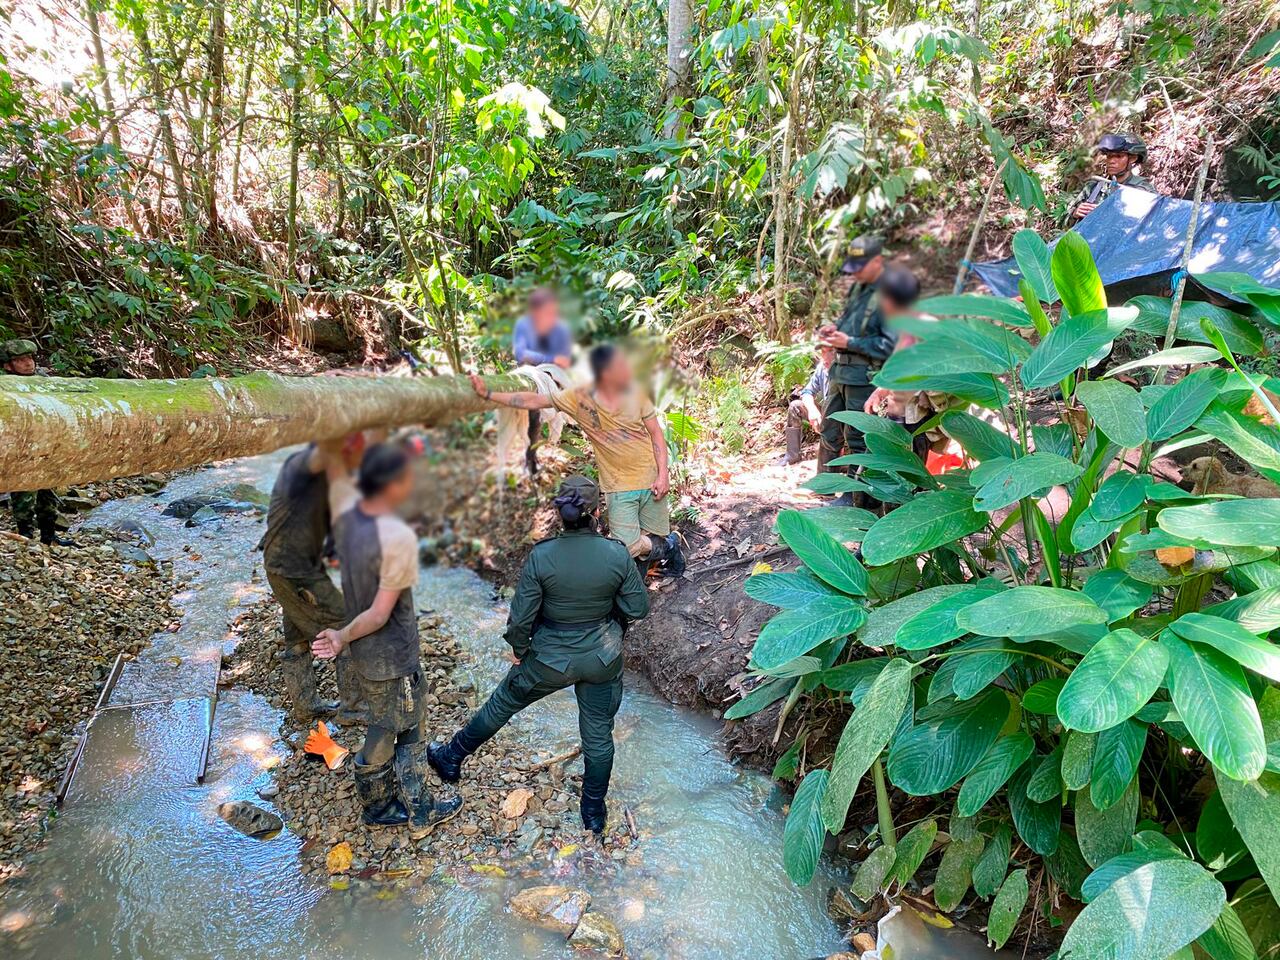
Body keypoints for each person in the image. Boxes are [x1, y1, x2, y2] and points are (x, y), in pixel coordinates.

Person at [428, 475, 649, 834]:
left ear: (559, 513)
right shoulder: (616, 553)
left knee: (502, 703)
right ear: (596, 511)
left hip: (548, 660)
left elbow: (521, 617)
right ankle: (593, 812)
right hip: (602, 659)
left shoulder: (542, 556)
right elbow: (638, 608)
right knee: (598, 734)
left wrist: (519, 648)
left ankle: (451, 758)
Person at [311, 443, 462, 836]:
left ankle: (377, 806)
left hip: (365, 655)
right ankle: (421, 813)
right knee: (408, 726)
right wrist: (341, 636)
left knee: (382, 719)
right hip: (391, 654)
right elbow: (379, 614)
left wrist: (344, 637)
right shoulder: (397, 539)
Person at [469, 344, 685, 578]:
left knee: (651, 537)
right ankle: (672, 545)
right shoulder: (578, 398)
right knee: (627, 547)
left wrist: (663, 474)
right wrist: (489, 394)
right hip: (618, 484)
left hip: (651, 477)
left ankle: (657, 569)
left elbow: (656, 433)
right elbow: (533, 400)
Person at [260, 434, 366, 725]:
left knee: (295, 636)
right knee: (349, 624)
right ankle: (353, 709)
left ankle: (305, 706)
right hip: (297, 572)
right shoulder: (306, 464)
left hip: (281, 568)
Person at [817, 236, 896, 507]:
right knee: (830, 430)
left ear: (878, 261)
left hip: (865, 377)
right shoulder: (859, 291)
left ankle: (859, 499)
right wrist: (833, 333)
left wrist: (849, 342)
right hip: (841, 373)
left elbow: (889, 344)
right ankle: (837, 488)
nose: (856, 273)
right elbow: (849, 326)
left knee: (860, 440)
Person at [2, 339, 64, 545]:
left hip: (46, 444)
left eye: (29, 358)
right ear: (8, 365)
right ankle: (25, 535)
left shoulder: (42, 379)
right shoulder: (4, 384)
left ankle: (49, 534)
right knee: (24, 494)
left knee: (48, 490)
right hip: (20, 447)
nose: (28, 363)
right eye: (20, 360)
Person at [511, 288, 574, 476]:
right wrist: (550, 357)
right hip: (529, 375)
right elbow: (520, 353)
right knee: (532, 420)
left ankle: (546, 448)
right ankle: (530, 459)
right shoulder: (524, 324)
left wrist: (557, 360)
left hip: (553, 375)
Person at [1065, 133, 1155, 223]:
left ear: (1132, 158)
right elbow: (1065, 221)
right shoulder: (1094, 187)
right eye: (1109, 156)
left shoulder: (1143, 191)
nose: (1111, 161)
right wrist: (1075, 214)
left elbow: (1151, 225)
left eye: (1119, 156)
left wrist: (1111, 215)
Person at [783, 344, 835, 465]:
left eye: (831, 352)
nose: (826, 357)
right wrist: (812, 410)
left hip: (844, 420)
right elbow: (807, 392)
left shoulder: (848, 371)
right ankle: (791, 455)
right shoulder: (822, 368)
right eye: (823, 352)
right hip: (826, 415)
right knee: (796, 406)